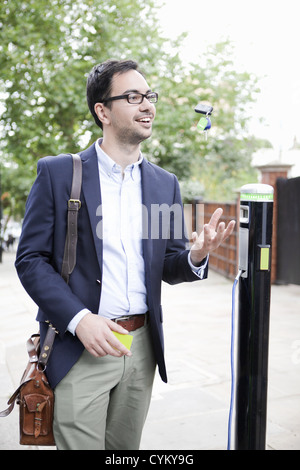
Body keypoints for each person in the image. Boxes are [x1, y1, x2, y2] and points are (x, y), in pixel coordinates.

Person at [15, 59, 235, 450]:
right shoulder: (59, 173)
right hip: (81, 346)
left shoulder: (163, 183)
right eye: (133, 96)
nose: (147, 105)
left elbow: (168, 264)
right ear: (103, 111)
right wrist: (80, 320)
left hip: (142, 348)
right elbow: (30, 260)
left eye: (149, 96)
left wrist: (196, 256)